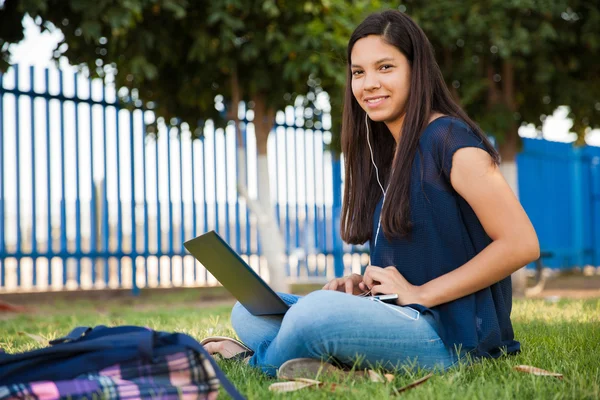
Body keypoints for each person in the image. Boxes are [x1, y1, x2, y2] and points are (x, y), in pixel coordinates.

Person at [202, 10, 540, 377]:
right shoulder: (388, 155)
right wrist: (363, 290)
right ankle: (321, 360)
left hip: (452, 337)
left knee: (312, 315)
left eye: (385, 67)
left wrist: (421, 294)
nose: (369, 84)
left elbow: (521, 243)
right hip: (400, 316)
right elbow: (417, 260)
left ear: (416, 70)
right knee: (251, 311)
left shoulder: (450, 140)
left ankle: (255, 361)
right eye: (359, 72)